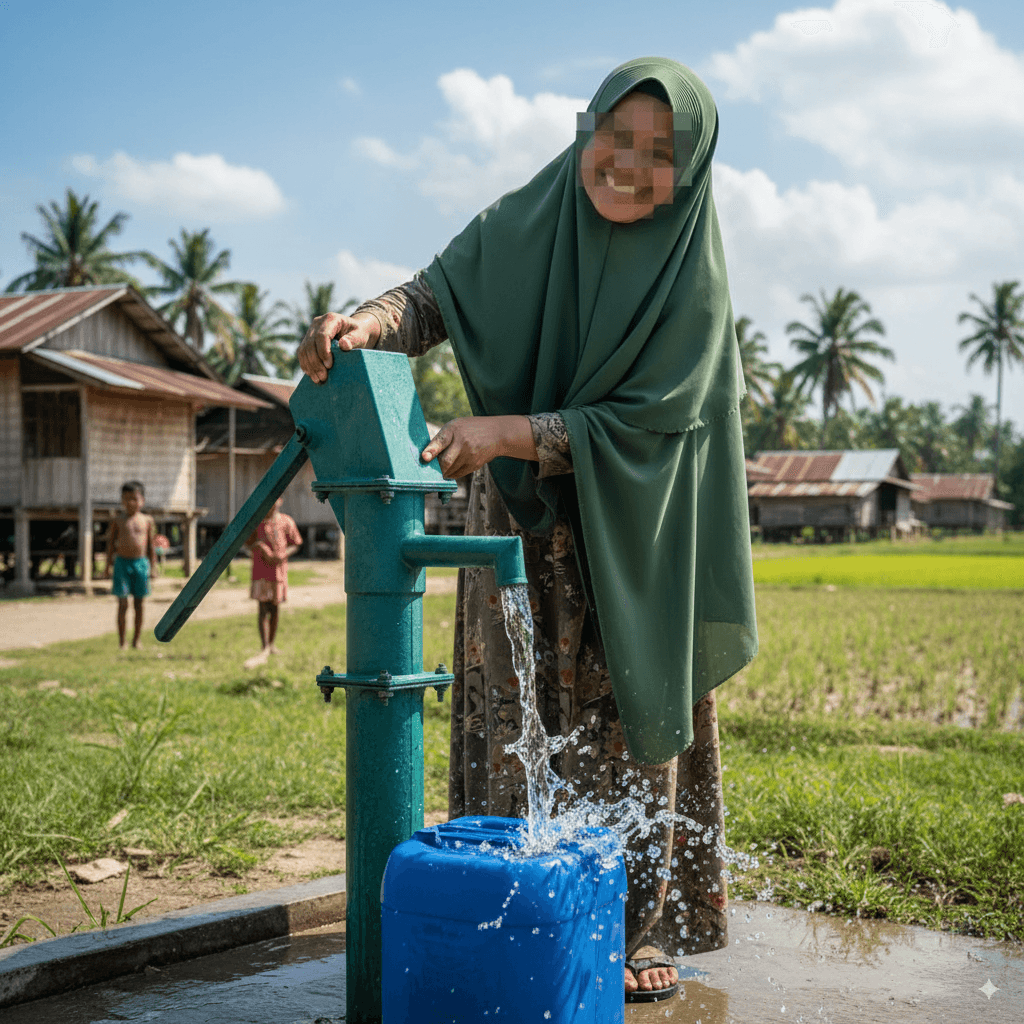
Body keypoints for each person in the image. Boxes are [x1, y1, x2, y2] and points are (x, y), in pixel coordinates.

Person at [298, 57, 758, 1002]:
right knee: (515, 724)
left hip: (640, 531)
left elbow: (657, 421)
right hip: (516, 516)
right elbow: (435, 295)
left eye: (658, 153)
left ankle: (638, 925)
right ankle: (507, 899)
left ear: (693, 169)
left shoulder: (693, 279)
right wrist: (362, 324)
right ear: (586, 128)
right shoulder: (535, 214)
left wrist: (509, 430)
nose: (627, 165)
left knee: (628, 722)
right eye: (614, 137)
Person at [243, 497, 302, 669]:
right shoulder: (256, 522)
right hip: (261, 570)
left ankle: (272, 644)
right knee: (262, 608)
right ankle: (264, 646)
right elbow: (247, 543)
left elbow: (295, 544)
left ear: (280, 502)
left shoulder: (286, 521)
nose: (271, 507)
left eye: (274, 503)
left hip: (278, 571)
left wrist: (283, 555)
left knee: (275, 608)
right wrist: (260, 546)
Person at [105, 480, 157, 650]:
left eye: (134, 499)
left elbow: (150, 545)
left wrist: (153, 567)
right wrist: (107, 566)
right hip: (122, 564)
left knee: (139, 604)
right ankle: (122, 641)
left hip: (141, 564)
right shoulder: (118, 520)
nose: (131, 503)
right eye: (126, 499)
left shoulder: (147, 520)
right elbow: (111, 544)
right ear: (122, 500)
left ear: (142, 500)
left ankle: (137, 640)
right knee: (122, 604)